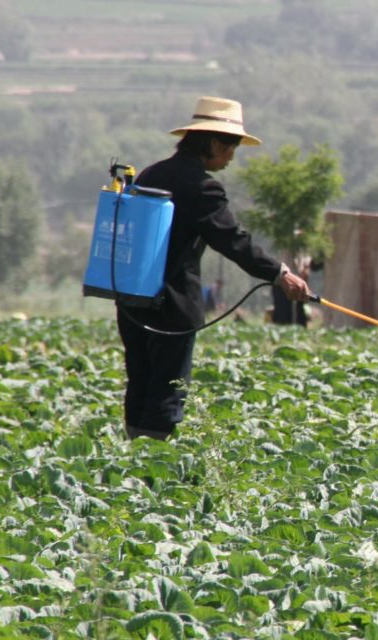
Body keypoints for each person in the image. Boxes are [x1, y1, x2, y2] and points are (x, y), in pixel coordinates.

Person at [117, 96, 310, 441]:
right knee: (167, 390)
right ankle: (149, 471)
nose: (232, 157)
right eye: (231, 148)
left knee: (141, 382)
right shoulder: (202, 186)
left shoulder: (152, 173)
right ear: (214, 142)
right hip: (171, 306)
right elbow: (234, 240)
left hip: (131, 299)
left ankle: (132, 466)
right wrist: (280, 273)